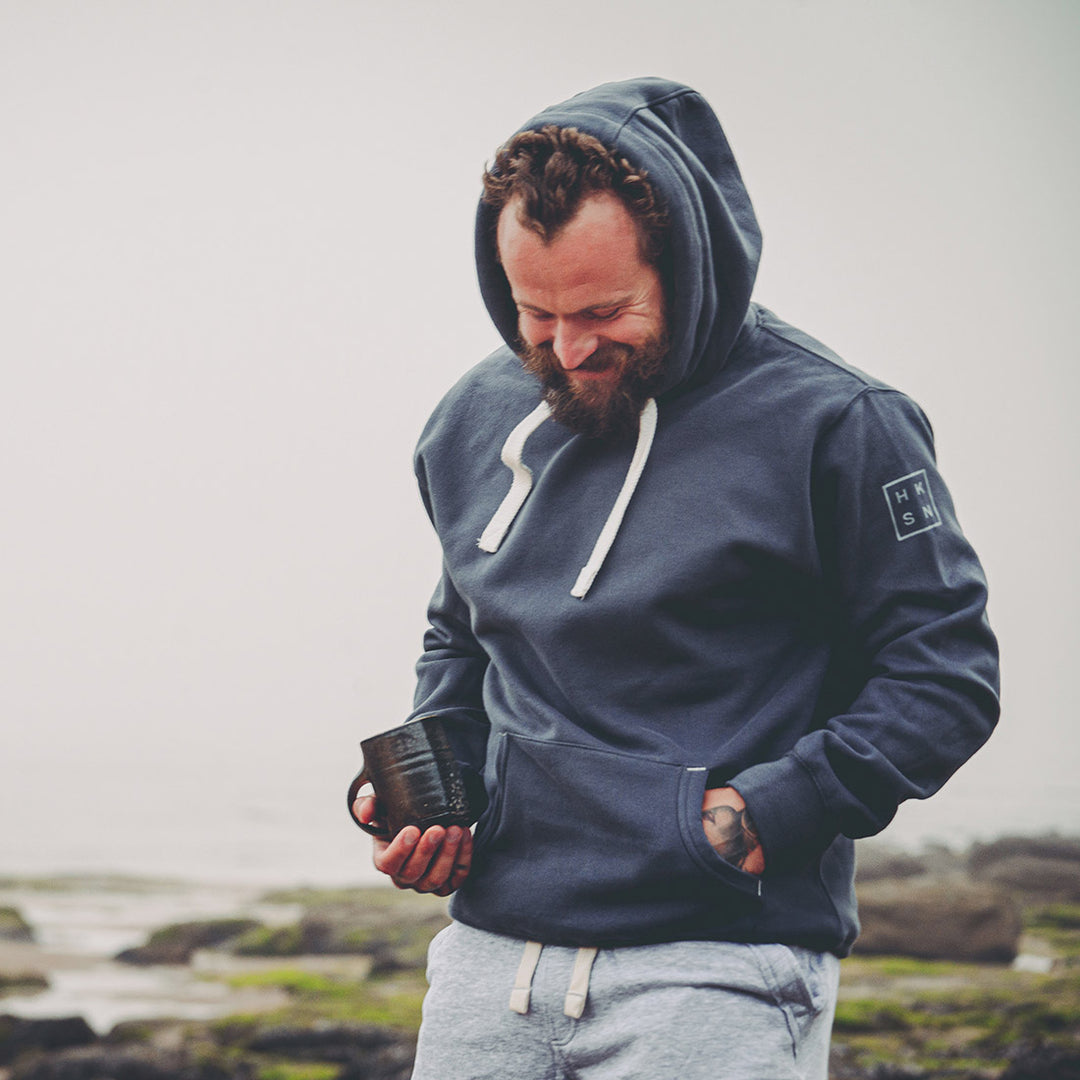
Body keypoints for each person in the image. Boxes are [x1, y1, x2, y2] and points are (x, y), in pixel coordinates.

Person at [351, 77, 1000, 1079]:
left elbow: (945, 676)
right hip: (490, 965)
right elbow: (464, 636)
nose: (567, 349)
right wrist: (433, 786)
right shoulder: (471, 421)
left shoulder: (842, 426)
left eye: (604, 312)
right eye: (534, 314)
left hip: (719, 966)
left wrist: (761, 818)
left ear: (690, 266)